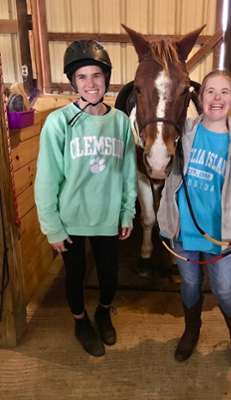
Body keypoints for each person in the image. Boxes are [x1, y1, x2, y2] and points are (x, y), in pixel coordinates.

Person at [35, 40, 137, 357]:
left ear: (106, 78)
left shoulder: (120, 122)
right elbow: (47, 178)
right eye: (82, 77)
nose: (90, 83)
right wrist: (52, 226)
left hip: (107, 218)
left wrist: (126, 213)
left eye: (96, 75)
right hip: (72, 219)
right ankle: (80, 322)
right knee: (75, 276)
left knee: (109, 277)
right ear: (73, 82)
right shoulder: (58, 122)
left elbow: (128, 172)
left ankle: (103, 312)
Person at [157, 69, 231, 379]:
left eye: (224, 92)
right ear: (199, 99)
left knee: (225, 289)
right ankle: (192, 331)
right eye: (210, 92)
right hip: (183, 231)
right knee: (189, 284)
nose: (217, 98)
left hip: (222, 238)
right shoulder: (182, 132)